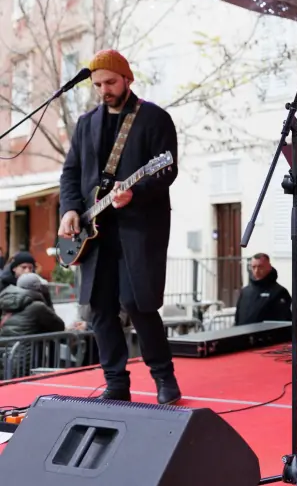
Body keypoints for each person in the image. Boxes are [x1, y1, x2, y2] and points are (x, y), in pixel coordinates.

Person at [58, 49, 181, 405]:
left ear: (127, 78)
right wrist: (69, 209)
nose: (104, 90)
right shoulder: (86, 123)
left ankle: (164, 378)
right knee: (99, 309)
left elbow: (167, 170)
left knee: (137, 303)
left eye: (110, 82)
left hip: (138, 229)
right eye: (97, 85)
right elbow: (70, 173)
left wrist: (135, 193)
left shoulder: (154, 118)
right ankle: (116, 382)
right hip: (94, 232)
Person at [234, 253, 292, 325]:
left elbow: (283, 320)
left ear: (269, 267)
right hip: (243, 331)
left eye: (260, 267)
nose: (256, 271)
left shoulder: (279, 292)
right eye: (253, 267)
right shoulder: (245, 292)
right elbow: (238, 318)